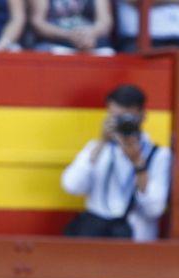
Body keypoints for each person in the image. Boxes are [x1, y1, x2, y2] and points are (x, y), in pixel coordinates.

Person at [59, 83, 172, 242]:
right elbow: (71, 186)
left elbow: (154, 209)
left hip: (135, 240)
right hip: (94, 237)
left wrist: (139, 163)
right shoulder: (97, 149)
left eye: (127, 119)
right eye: (116, 118)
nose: (122, 124)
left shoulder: (158, 155)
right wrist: (101, 143)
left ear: (142, 116)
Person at [27, 0, 112, 53]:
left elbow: (105, 22)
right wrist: (69, 35)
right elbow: (37, 22)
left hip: (94, 43)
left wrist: (90, 33)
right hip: (55, 44)